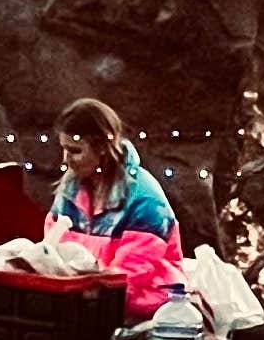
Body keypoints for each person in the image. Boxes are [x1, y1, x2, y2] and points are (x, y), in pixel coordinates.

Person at [47, 98, 186, 314]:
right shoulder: (69, 192)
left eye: (74, 150)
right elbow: (51, 253)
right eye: (63, 149)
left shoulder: (144, 197)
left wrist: (84, 295)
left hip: (145, 306)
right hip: (88, 303)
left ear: (102, 147)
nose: (66, 160)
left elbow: (131, 274)